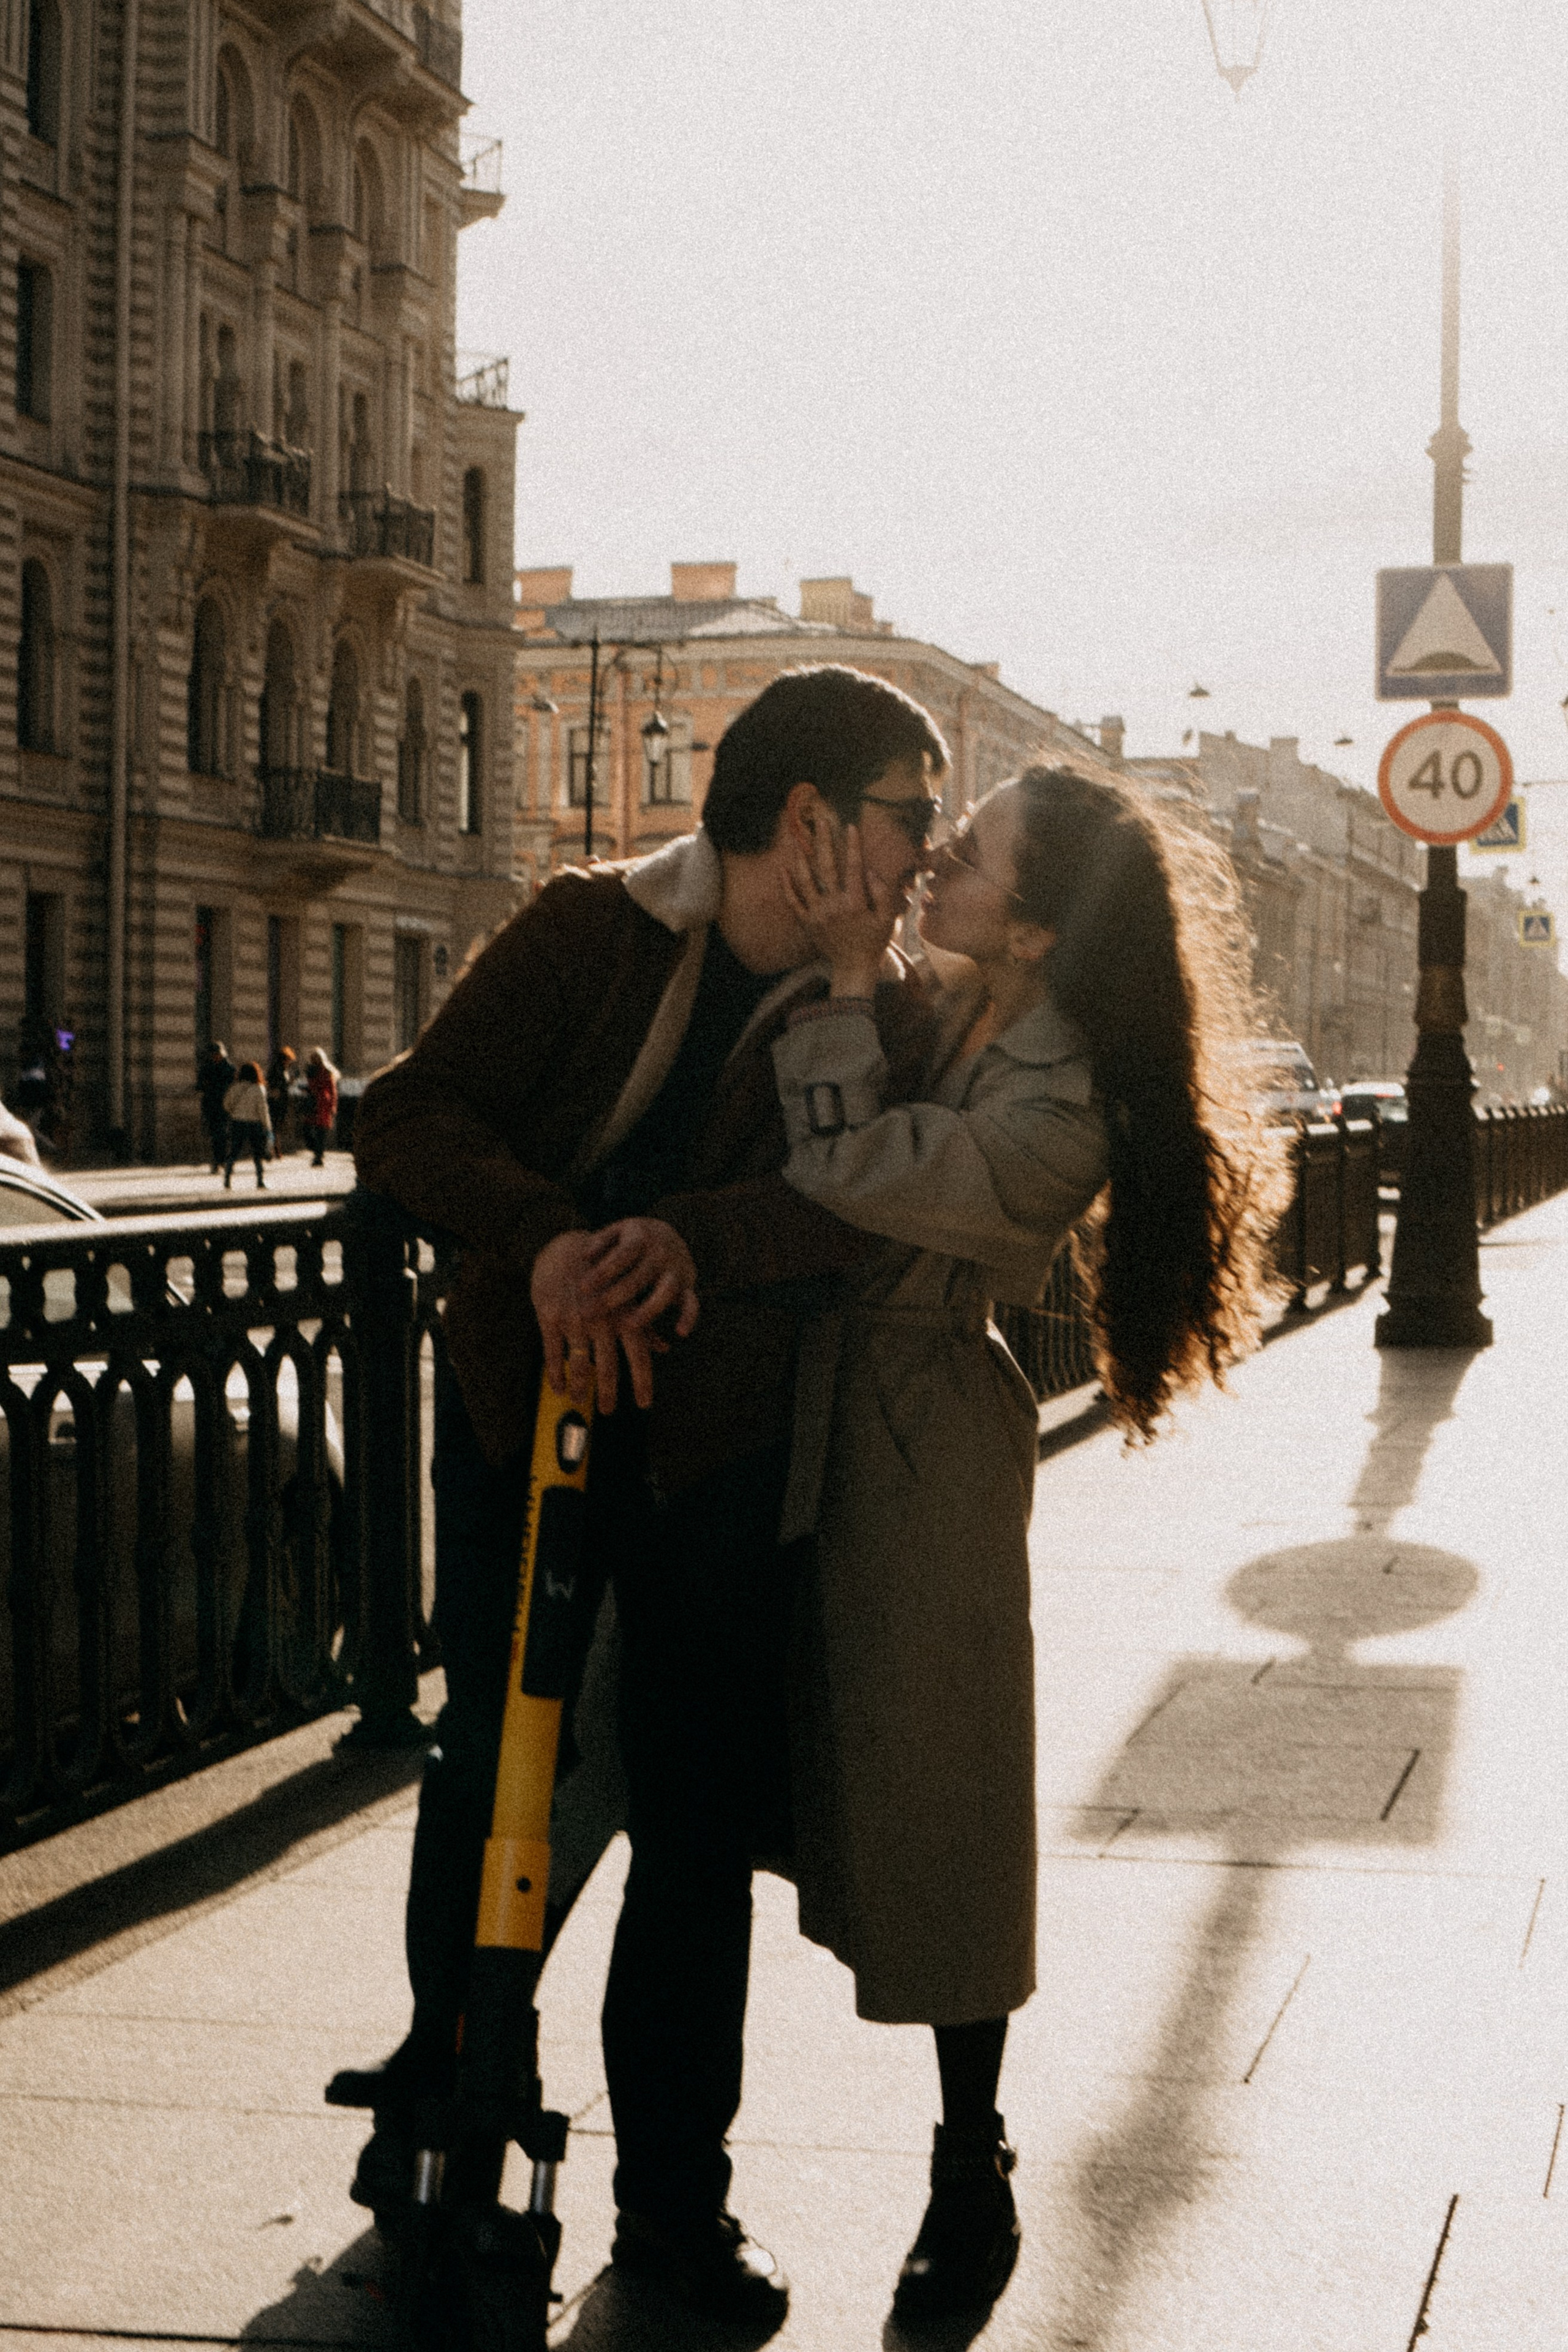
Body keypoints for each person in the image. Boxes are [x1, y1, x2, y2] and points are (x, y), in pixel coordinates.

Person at [344, 665, 948, 2322]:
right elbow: (406, 1116)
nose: (926, 859)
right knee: (486, 1775)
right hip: (513, 1425)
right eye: (911, 819)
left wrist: (685, 1245)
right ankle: (460, 2119)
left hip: (713, 1457)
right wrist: (549, 1244)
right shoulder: (588, 931)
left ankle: (676, 2210)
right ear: (813, 819)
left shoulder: (880, 1008)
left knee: (694, 1834)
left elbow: (853, 1212)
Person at [769, 765, 1284, 2321]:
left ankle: (967, 2157)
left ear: (1043, 927)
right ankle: (669, 2174)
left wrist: (854, 979)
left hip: (922, 1449)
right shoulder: (959, 1003)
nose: (932, 857)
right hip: (795, 1413)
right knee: (719, 1773)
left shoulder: (1066, 1101)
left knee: (944, 1805)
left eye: (969, 851)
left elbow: (847, 1168)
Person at [222, 1060, 272, 1188]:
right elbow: (263, 1110)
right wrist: (268, 1127)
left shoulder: (235, 1088)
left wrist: (235, 1112)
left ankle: (227, 1178)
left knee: (234, 1151)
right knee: (257, 1153)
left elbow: (226, 1105)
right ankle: (260, 1180)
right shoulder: (259, 1089)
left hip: (237, 1122)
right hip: (254, 1124)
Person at [198, 1041, 238, 1174]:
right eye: (215, 1055)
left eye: (218, 1054)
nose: (217, 1057)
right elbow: (199, 1085)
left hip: (225, 1105)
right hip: (211, 1105)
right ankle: (218, 1160)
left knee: (224, 1134)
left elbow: (234, 1086)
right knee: (216, 1134)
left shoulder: (229, 1068)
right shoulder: (207, 1068)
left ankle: (223, 1161)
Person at [302, 1048, 339, 1165]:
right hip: (312, 1103)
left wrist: (333, 1106)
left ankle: (318, 1157)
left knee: (321, 1132)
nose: (314, 1060)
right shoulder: (310, 1070)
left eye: (316, 1058)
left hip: (323, 1104)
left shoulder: (327, 1071)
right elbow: (312, 1086)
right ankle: (317, 1153)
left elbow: (332, 1090)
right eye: (313, 1058)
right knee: (307, 1130)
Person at [266, 1044, 297, 1155]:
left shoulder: (284, 1069)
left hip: (282, 1100)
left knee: (277, 1126)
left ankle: (275, 1148)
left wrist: (289, 1083)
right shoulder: (277, 1069)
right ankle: (273, 1149)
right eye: (289, 1060)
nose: (289, 1062)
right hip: (275, 1101)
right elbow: (272, 1083)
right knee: (274, 1126)